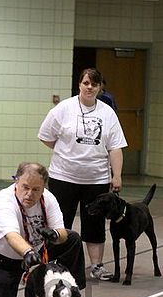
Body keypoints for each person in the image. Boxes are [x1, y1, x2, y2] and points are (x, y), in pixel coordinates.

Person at [0, 162, 93, 297]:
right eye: (25, 187)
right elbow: (12, 236)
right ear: (16, 181)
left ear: (43, 187)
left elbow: (62, 233)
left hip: (36, 249)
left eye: (36, 189)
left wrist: (55, 235)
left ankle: (71, 296)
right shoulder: (4, 201)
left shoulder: (48, 198)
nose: (29, 194)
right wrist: (28, 252)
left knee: (72, 239)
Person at [38, 68, 128, 281]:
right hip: (63, 177)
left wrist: (117, 175)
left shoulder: (107, 113)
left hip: (96, 179)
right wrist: (66, 152)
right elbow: (45, 136)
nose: (90, 87)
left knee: (95, 224)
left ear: (99, 88)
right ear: (79, 84)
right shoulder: (63, 109)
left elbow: (115, 147)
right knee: (60, 222)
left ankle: (96, 265)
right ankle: (56, 263)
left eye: (94, 84)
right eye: (86, 83)